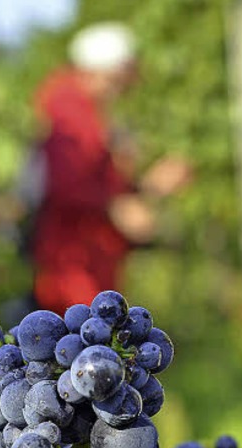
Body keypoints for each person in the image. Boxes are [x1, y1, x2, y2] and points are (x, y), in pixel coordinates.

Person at [27, 22, 193, 314]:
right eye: (121, 77)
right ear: (99, 72)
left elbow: (97, 182)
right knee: (76, 343)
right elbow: (65, 185)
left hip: (96, 261)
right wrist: (118, 208)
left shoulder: (91, 110)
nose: (126, 86)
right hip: (72, 266)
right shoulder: (66, 108)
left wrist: (148, 187)